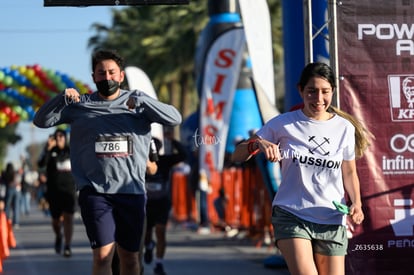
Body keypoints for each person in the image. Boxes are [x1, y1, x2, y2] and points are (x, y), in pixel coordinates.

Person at [33, 49, 182, 275]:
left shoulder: (138, 102)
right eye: (101, 73)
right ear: (94, 77)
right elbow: (40, 121)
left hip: (131, 192)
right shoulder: (80, 105)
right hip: (95, 192)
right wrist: (62, 97)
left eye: (112, 72)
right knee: (102, 257)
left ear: (121, 76)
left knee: (130, 259)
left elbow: (175, 118)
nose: (107, 78)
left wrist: (144, 101)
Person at [232, 62, 370, 275]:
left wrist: (358, 204)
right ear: (300, 90)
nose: (318, 99)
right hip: (291, 213)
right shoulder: (283, 124)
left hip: (331, 216)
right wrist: (258, 144)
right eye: (311, 91)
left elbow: (349, 171)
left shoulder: (344, 128)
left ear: (333, 91)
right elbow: (238, 154)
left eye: (325, 92)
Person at [143, 129, 187, 275]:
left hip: (162, 201)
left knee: (161, 231)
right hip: (146, 203)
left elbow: (183, 155)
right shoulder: (143, 163)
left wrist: (172, 140)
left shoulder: (165, 161)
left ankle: (159, 264)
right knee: (146, 233)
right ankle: (149, 246)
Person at [38, 129, 76, 257]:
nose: (59, 138)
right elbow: (41, 163)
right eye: (56, 136)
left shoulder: (71, 151)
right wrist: (48, 148)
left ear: (65, 138)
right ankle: (59, 235)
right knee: (56, 221)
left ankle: (67, 245)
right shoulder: (50, 151)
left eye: (61, 136)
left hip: (69, 191)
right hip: (54, 191)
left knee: (68, 218)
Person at [2, 162, 22, 228]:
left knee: (7, 206)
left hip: (9, 189)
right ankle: (16, 223)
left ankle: (6, 221)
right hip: (17, 190)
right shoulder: (15, 173)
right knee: (16, 206)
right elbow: (19, 181)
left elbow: (2, 183)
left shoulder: (4, 173)